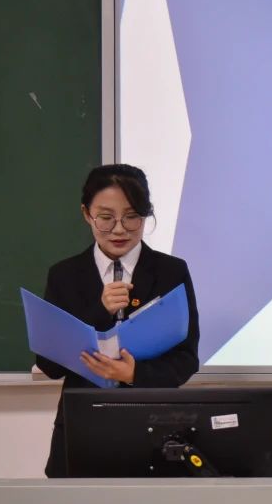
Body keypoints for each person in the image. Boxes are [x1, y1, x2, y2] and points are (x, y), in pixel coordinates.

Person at [36, 163, 201, 477]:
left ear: (146, 214)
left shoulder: (171, 271)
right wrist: (100, 311)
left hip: (153, 426)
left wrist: (134, 373)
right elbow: (49, 365)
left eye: (132, 216)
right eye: (106, 217)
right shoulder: (64, 275)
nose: (119, 229)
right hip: (82, 428)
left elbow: (186, 359)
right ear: (86, 214)